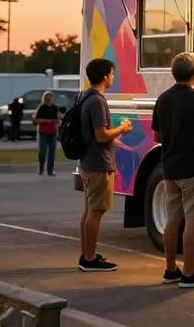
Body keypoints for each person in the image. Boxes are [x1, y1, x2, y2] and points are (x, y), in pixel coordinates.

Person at [152, 52, 194, 289]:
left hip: (169, 167)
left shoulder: (162, 99)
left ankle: (170, 270)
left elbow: (157, 136)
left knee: (173, 218)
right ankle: (189, 273)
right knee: (193, 219)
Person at [77, 58, 133, 272]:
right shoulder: (98, 101)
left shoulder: (85, 97)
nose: (113, 77)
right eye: (112, 73)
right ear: (104, 77)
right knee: (96, 212)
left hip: (88, 162)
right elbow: (101, 136)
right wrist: (122, 128)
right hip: (98, 164)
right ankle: (90, 259)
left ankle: (86, 255)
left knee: (89, 211)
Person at [33, 91, 60, 176]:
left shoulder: (54, 108)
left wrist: (57, 122)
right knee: (42, 151)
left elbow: (58, 119)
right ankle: (41, 168)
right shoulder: (41, 108)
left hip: (52, 132)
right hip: (43, 131)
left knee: (52, 152)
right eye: (47, 98)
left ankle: (50, 170)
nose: (49, 99)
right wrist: (44, 121)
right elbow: (35, 119)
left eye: (50, 98)